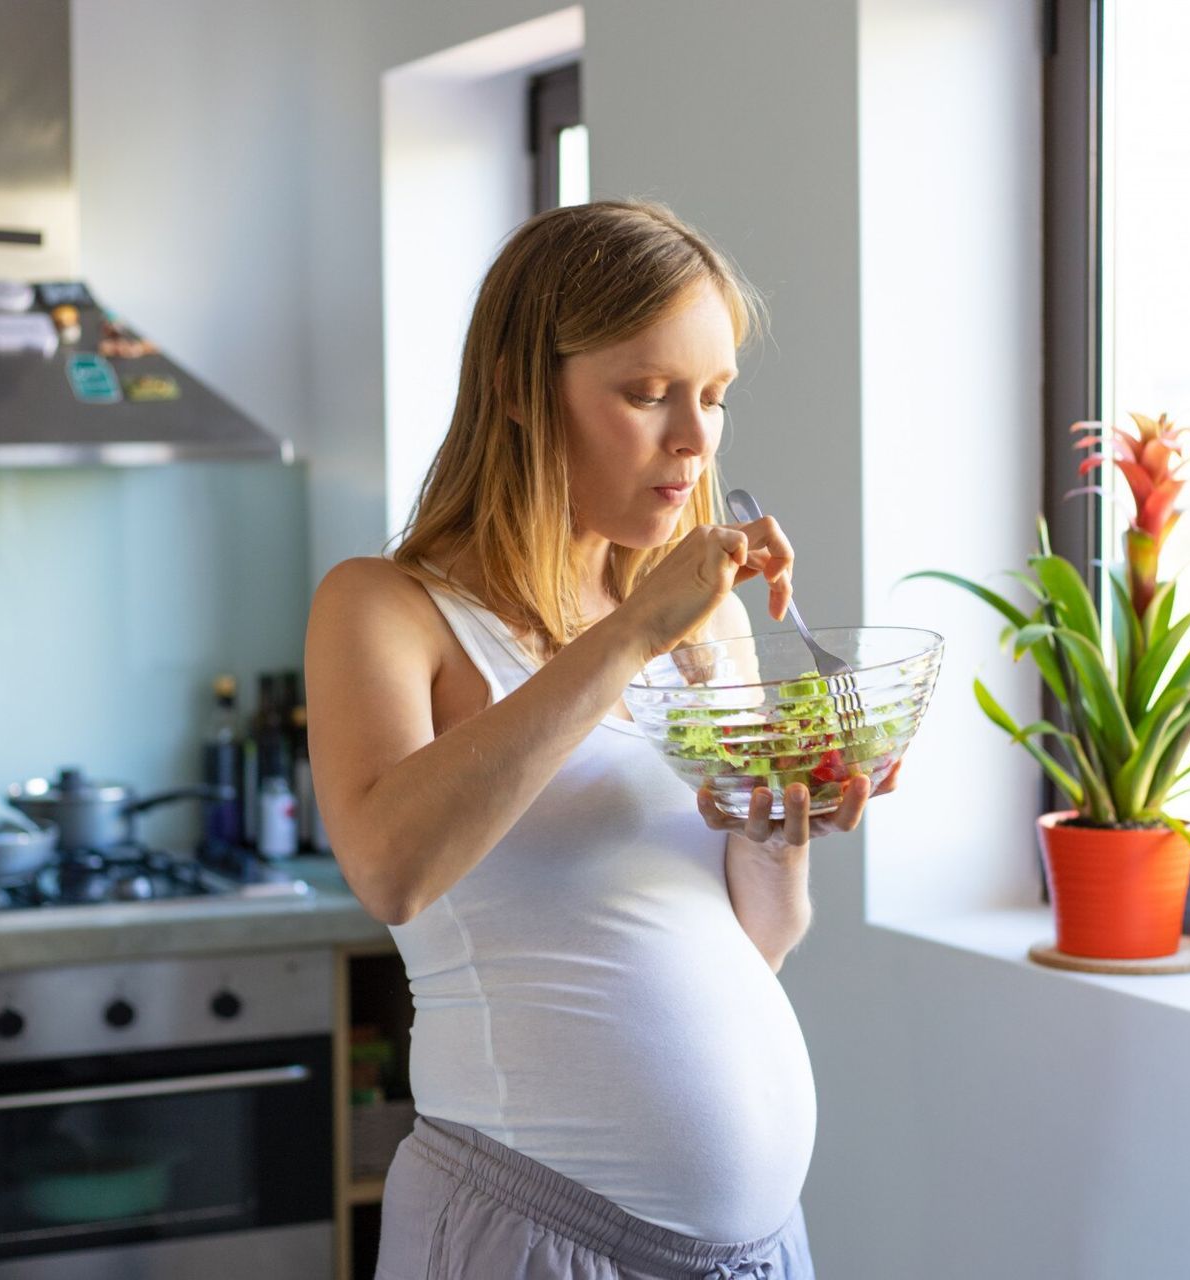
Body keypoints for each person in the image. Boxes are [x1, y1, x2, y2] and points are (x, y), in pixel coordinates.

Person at [305, 200, 902, 1280]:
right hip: (528, 1232)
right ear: (518, 390)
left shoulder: (705, 618)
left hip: (758, 1247)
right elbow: (390, 868)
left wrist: (784, 818)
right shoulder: (386, 608)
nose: (693, 439)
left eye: (714, 398)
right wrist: (633, 631)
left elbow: (754, 940)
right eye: (646, 393)